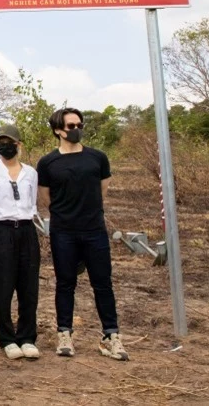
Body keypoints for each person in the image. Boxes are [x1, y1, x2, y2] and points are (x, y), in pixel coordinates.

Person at [38, 107, 129, 361]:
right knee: (65, 283)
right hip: (63, 232)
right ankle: (64, 333)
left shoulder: (98, 158)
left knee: (103, 283)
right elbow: (46, 199)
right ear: (58, 130)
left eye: (79, 125)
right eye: (70, 126)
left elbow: (102, 192)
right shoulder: (47, 163)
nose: (76, 129)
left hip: (94, 231)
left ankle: (111, 336)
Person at [0, 124, 40, 360]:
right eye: (0, 142)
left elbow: (33, 203)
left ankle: (27, 337)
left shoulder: (31, 173)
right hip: (1, 231)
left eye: (9, 141)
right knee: (2, 286)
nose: (5, 145)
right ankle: (6, 338)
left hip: (26, 230)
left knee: (28, 286)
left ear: (18, 145)